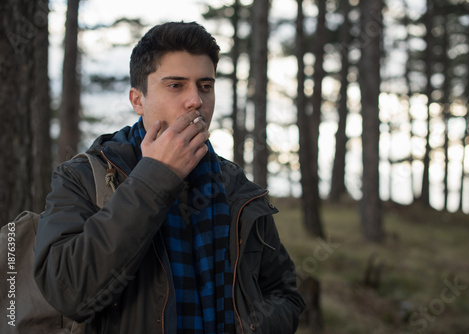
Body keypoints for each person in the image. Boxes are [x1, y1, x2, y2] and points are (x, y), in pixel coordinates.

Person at [34, 21, 305, 334]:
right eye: (176, 85)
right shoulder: (81, 177)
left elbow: (285, 294)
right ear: (138, 100)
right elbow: (68, 292)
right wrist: (155, 178)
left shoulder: (236, 187)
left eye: (205, 86)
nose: (196, 101)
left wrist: (249, 326)